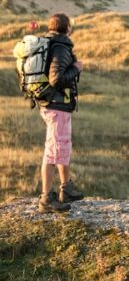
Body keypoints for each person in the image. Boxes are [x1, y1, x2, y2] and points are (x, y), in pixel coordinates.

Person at [38, 12, 85, 213]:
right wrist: (76, 68)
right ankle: (46, 198)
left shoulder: (48, 44)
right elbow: (56, 79)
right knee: (52, 151)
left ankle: (67, 188)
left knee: (61, 145)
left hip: (50, 104)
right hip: (57, 106)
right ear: (67, 29)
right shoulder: (61, 47)